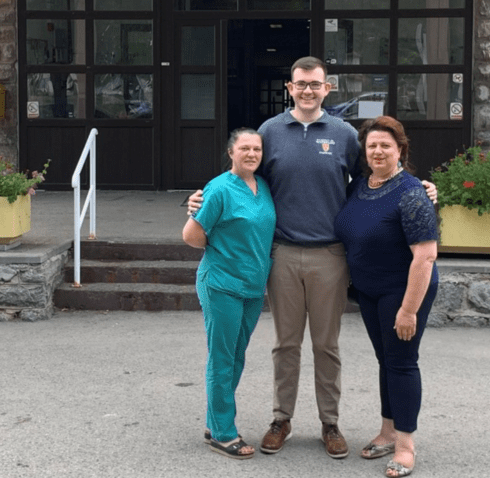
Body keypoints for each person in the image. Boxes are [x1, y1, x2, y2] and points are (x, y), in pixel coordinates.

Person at [187, 57, 437, 460]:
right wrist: (199, 200)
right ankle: (281, 418)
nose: (307, 90)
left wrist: (419, 188)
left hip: (330, 256)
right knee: (285, 344)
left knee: (327, 345)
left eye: (315, 84)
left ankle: (330, 423)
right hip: (282, 254)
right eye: (300, 84)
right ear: (290, 88)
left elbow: (375, 175)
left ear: (327, 87)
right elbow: (244, 174)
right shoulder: (269, 131)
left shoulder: (344, 134)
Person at [334, 116, 438, 477]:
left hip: (403, 290)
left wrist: (409, 310)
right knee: (386, 359)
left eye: (386, 146)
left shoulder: (412, 193)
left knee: (402, 361)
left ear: (400, 150)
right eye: (372, 145)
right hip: (369, 290)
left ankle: (406, 446)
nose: (378, 151)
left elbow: (425, 255)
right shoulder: (359, 186)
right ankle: (387, 430)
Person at [182, 128, 276, 460]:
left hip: (252, 286)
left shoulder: (262, 186)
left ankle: (214, 420)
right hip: (222, 283)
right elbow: (191, 235)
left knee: (236, 356)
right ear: (231, 152)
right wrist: (223, 252)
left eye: (257, 149)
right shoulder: (219, 188)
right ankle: (222, 432)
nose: (251, 154)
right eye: (245, 148)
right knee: (222, 358)